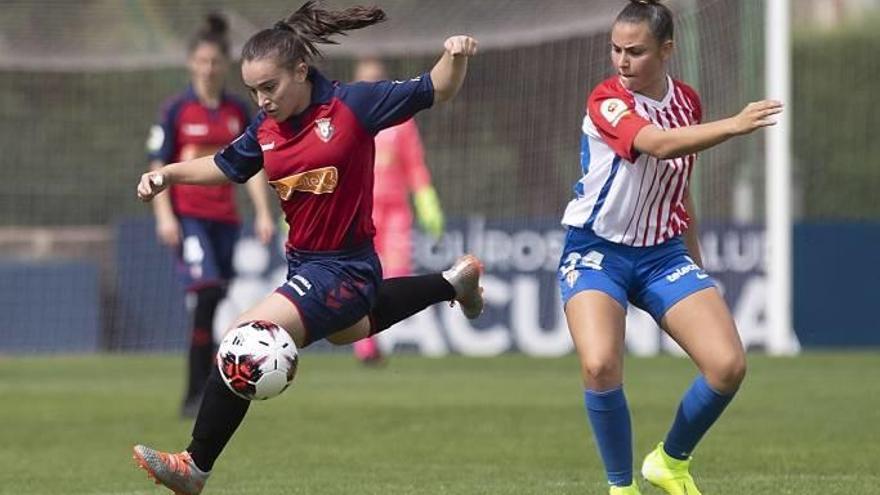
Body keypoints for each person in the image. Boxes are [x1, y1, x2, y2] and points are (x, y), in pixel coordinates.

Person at [132, 2, 481, 494]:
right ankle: (451, 282)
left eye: (269, 87)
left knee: (242, 337)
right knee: (348, 333)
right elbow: (228, 165)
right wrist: (168, 174)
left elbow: (436, 86)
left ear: (301, 70)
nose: (261, 100)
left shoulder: (354, 106)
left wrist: (455, 54)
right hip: (307, 264)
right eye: (253, 90)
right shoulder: (266, 128)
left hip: (347, 267)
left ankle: (194, 467)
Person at [557, 1, 782, 494]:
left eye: (634, 52)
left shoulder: (688, 102)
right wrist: (735, 124)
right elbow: (658, 145)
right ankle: (622, 488)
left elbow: (677, 184)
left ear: (666, 50)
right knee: (599, 364)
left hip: (663, 254)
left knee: (728, 366)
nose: (621, 61)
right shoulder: (608, 99)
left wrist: (693, 257)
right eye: (615, 49)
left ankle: (670, 461)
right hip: (597, 251)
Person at [145, 13, 275, 419]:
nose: (208, 68)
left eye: (215, 61)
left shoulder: (239, 111)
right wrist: (164, 217)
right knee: (206, 292)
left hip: (225, 220)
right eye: (201, 61)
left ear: (225, 65)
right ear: (191, 64)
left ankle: (204, 385)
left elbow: (250, 166)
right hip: (189, 218)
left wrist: (262, 212)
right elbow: (157, 166)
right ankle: (194, 391)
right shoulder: (176, 110)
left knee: (215, 295)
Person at [350, 56, 445, 365]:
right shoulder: (347, 118)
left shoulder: (402, 120)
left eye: (377, 78)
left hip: (395, 211)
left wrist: (427, 201)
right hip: (359, 209)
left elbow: (414, 165)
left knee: (397, 271)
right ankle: (365, 345)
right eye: (366, 79)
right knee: (361, 275)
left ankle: (372, 330)